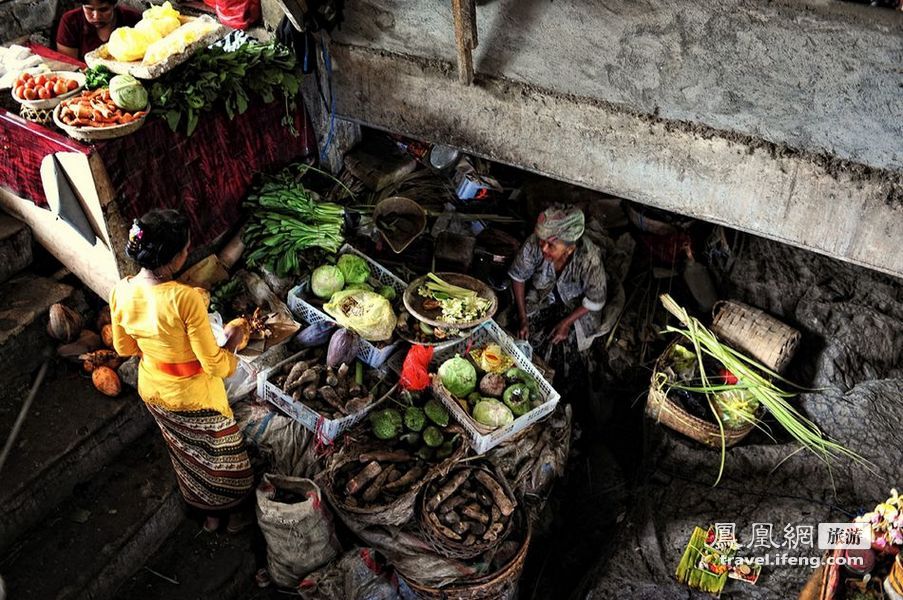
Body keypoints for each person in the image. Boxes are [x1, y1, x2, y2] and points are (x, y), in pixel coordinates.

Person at [109, 209, 252, 533]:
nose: (188, 253)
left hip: (154, 390)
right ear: (173, 258)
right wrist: (233, 339)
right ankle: (232, 516)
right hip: (193, 395)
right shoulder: (185, 299)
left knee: (188, 457)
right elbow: (215, 364)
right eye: (186, 249)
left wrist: (161, 345)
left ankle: (210, 518)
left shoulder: (121, 291)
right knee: (226, 460)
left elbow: (125, 349)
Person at [509, 204, 607, 385]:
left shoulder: (589, 258)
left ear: (569, 249)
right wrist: (523, 317)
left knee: (567, 350)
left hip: (577, 306)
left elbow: (595, 299)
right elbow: (518, 276)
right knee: (521, 332)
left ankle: (563, 388)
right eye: (541, 241)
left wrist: (566, 323)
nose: (544, 248)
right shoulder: (535, 243)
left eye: (551, 245)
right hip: (542, 296)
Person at [56, 0, 141, 60]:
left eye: (103, 9)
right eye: (89, 9)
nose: (96, 16)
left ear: (114, 5)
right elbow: (70, 65)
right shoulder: (70, 21)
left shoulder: (133, 20)